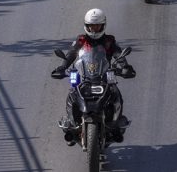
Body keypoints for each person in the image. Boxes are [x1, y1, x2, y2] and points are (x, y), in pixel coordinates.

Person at [51, 9, 135, 145]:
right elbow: (71, 54)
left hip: (104, 75)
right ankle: (72, 123)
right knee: (72, 91)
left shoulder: (109, 41)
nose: (94, 29)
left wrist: (124, 66)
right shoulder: (81, 40)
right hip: (84, 76)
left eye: (97, 26)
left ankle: (116, 123)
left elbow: (117, 54)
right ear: (86, 26)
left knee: (115, 93)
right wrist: (62, 67)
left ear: (103, 26)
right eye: (92, 26)